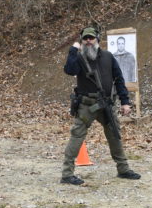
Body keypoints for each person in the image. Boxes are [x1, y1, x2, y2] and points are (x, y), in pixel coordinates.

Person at [60, 27, 140, 186]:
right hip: (87, 105)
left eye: (91, 38)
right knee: (77, 136)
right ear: (81, 41)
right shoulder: (78, 58)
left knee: (114, 134)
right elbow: (69, 70)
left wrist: (125, 101)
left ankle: (123, 169)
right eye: (85, 38)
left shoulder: (108, 57)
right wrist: (73, 50)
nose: (88, 41)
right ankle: (67, 174)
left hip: (106, 104)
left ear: (97, 39)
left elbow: (119, 79)